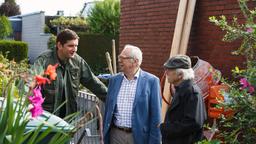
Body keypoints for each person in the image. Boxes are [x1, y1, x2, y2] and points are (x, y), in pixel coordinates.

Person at [33, 29, 107, 118]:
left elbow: (93, 83)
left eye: (76, 46)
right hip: (46, 119)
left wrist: (112, 99)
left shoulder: (78, 62)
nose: (74, 49)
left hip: (68, 119)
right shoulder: (44, 60)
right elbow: (31, 80)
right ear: (59, 45)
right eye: (71, 46)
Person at [103, 44, 162, 144]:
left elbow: (156, 115)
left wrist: (155, 140)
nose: (119, 60)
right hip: (116, 135)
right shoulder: (114, 80)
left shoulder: (151, 81)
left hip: (139, 136)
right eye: (119, 57)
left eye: (123, 58)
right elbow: (108, 109)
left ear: (135, 61)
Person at [160, 55, 207, 144]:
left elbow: (193, 123)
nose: (166, 73)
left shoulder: (192, 92)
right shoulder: (182, 89)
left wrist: (165, 128)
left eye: (169, 70)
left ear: (180, 75)